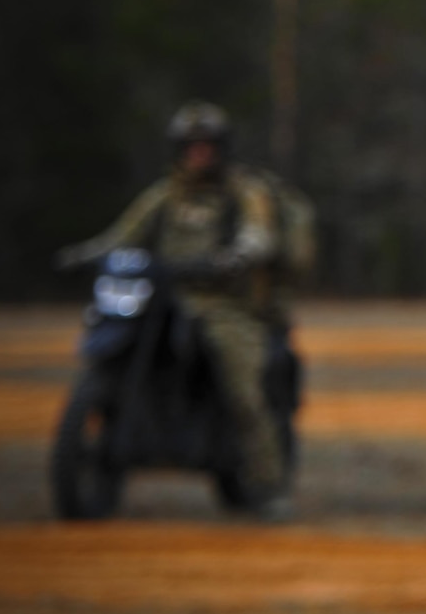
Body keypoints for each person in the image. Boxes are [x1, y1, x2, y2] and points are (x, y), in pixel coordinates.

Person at [56, 101, 291, 517]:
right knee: (119, 347)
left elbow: (260, 237)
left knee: (244, 387)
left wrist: (236, 256)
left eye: (207, 146)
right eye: (191, 145)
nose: (199, 154)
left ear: (222, 148)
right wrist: (84, 254)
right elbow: (122, 236)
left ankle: (268, 485)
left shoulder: (244, 192)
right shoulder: (164, 195)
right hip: (160, 296)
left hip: (224, 304)